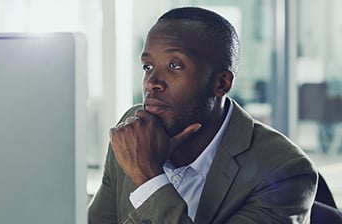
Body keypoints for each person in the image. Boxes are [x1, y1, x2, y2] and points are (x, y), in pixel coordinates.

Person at [88, 6, 318, 224]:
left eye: (175, 65)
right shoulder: (134, 130)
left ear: (221, 83)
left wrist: (149, 179)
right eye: (148, 66)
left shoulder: (284, 169)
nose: (152, 83)